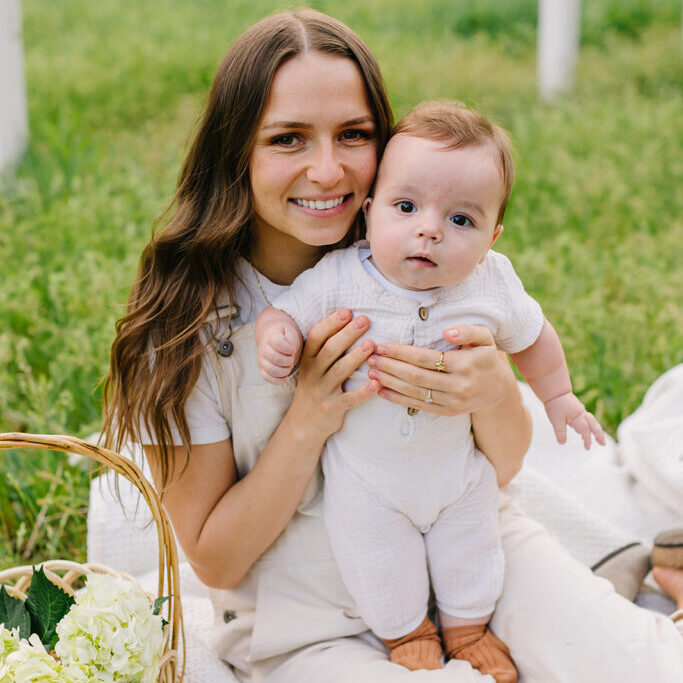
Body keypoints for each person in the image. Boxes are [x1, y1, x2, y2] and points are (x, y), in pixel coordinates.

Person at [102, 9, 683, 682]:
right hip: (313, 625)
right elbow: (214, 560)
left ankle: (644, 592)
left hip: (478, 563)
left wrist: (494, 389)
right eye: (288, 138)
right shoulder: (189, 326)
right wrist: (309, 418)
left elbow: (502, 468)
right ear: (236, 151)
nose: (327, 170)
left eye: (353, 134)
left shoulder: (421, 247)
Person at [254, 100, 603, 680]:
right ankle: (407, 630)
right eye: (407, 206)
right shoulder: (343, 277)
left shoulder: (491, 284)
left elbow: (535, 336)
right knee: (376, 557)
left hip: (456, 471)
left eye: (460, 220)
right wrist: (278, 338)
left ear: (492, 236)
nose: (429, 229)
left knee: (473, 546)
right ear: (370, 213)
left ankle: (467, 625)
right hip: (369, 480)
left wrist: (559, 395)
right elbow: (285, 311)